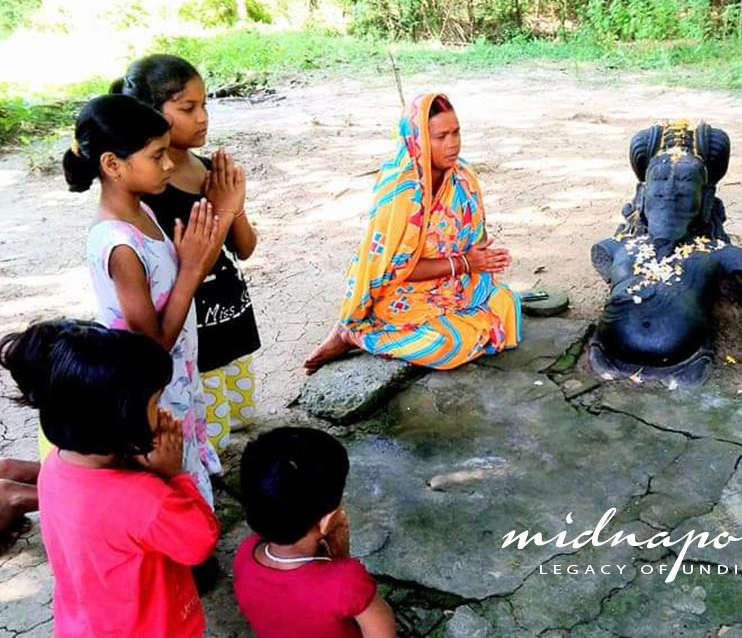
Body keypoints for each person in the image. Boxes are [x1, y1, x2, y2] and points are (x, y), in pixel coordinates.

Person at [0, 319, 220, 637]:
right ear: (120, 419)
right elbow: (199, 544)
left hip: (84, 625)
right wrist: (174, 475)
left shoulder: (55, 466)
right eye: (155, 402)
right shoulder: (146, 497)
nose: (162, 414)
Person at [62, 94, 222, 505]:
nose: (170, 164)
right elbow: (148, 350)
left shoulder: (141, 212)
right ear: (113, 165)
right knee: (170, 469)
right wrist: (191, 272)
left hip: (177, 375)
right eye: (157, 156)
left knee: (188, 444)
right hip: (153, 387)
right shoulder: (120, 245)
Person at [304, 93, 520, 373]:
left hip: (452, 282)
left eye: (456, 133)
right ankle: (354, 334)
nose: (452, 144)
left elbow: (475, 237)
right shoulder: (402, 193)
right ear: (417, 140)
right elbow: (395, 270)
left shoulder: (463, 176)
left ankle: (458, 326)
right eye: (440, 136)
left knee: (507, 304)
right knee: (445, 346)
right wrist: (465, 263)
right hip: (400, 291)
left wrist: (480, 257)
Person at [115, 54, 260, 454]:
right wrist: (226, 208)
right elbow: (192, 264)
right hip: (194, 336)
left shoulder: (211, 169)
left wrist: (236, 204)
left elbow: (244, 248)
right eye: (188, 108)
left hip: (229, 318)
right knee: (204, 434)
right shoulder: (150, 190)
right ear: (151, 113)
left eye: (205, 104)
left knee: (237, 419)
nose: (203, 117)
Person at [233, 427, 396, 638]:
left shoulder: (245, 554)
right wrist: (342, 560)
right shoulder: (348, 582)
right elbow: (383, 633)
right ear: (328, 521)